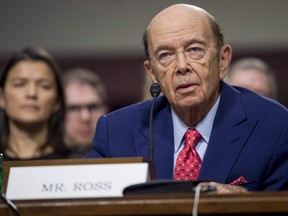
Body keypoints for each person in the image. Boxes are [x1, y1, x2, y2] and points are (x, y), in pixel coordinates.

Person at [86, 4, 288, 193]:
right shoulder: (115, 131)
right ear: (152, 72)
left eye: (195, 50)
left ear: (223, 60)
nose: (182, 66)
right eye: (166, 55)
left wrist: (246, 203)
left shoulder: (275, 125)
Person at [0, 47, 71, 160]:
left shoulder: (77, 162)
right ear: (2, 97)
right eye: (20, 84)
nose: (31, 93)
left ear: (57, 101)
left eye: (44, 86)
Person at [63, 68, 108, 158]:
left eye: (92, 107)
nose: (85, 117)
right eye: (73, 108)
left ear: (105, 111)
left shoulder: (124, 157)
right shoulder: (42, 165)